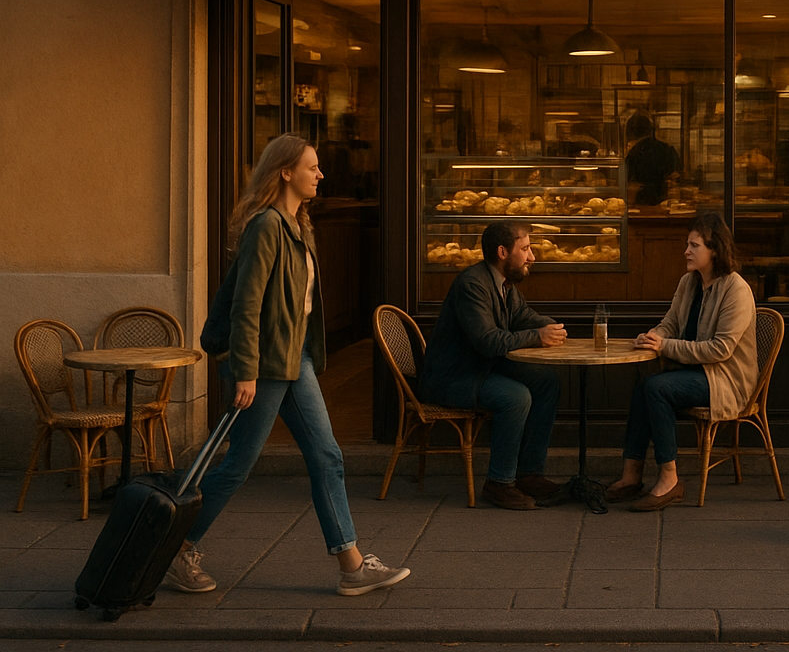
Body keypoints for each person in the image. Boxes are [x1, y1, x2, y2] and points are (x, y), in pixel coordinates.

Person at [175, 134, 410, 597]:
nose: (321, 174)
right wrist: (244, 370)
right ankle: (175, 546)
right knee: (238, 465)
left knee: (327, 457)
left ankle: (352, 565)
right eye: (312, 167)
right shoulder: (266, 226)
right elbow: (246, 306)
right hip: (264, 363)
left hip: (292, 357)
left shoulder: (297, 224)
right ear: (285, 172)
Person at [606, 212, 757, 512]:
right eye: (688, 244)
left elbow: (720, 349)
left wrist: (665, 346)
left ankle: (669, 479)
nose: (686, 251)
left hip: (724, 380)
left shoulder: (736, 289)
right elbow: (670, 324)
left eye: (694, 245)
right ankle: (632, 474)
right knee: (644, 385)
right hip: (691, 373)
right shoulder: (690, 282)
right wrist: (652, 337)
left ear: (714, 250)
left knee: (657, 389)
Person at [418, 222, 566, 510]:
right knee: (516, 396)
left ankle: (529, 474)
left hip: (480, 369)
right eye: (525, 249)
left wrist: (551, 327)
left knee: (547, 381)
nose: (531, 257)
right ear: (502, 252)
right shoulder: (472, 284)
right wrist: (538, 337)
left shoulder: (504, 285)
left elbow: (523, 316)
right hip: (454, 377)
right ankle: (499, 483)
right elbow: (487, 341)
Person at [624, 113, 681, 206]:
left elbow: (627, 177)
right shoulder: (666, 148)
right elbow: (674, 175)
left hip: (641, 199)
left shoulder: (634, 152)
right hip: (663, 198)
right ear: (651, 130)